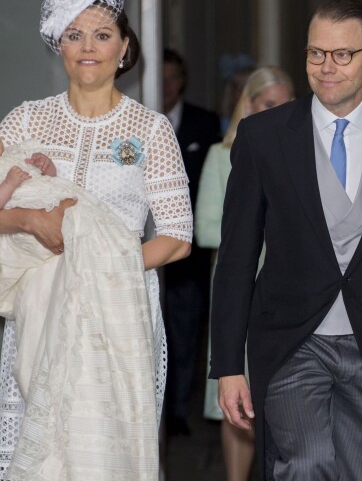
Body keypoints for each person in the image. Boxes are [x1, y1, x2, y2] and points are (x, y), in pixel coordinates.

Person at [209, 0, 362, 480]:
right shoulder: (263, 137)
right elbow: (237, 257)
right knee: (305, 465)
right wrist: (228, 365)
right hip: (290, 340)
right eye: (315, 53)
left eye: (342, 54)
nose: (326, 67)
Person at [0, 0, 192, 479]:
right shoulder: (24, 121)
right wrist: (28, 219)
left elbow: (177, 237)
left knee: (105, 456)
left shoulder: (150, 129)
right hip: (39, 308)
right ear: (58, 43)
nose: (88, 46)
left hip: (119, 311)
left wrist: (100, 267)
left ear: (124, 47)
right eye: (75, 34)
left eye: (102, 34)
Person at [196, 66, 294, 481]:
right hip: (240, 289)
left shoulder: (306, 159)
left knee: (289, 396)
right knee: (236, 396)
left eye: (286, 106)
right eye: (269, 104)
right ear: (249, 105)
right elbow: (204, 229)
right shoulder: (222, 155)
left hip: (291, 292)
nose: (277, 113)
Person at [162, 48, 221, 436]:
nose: (165, 86)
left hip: (190, 254)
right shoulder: (136, 120)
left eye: (172, 78)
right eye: (160, 78)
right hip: (144, 245)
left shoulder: (204, 123)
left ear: (182, 81)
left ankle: (179, 412)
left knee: (184, 335)